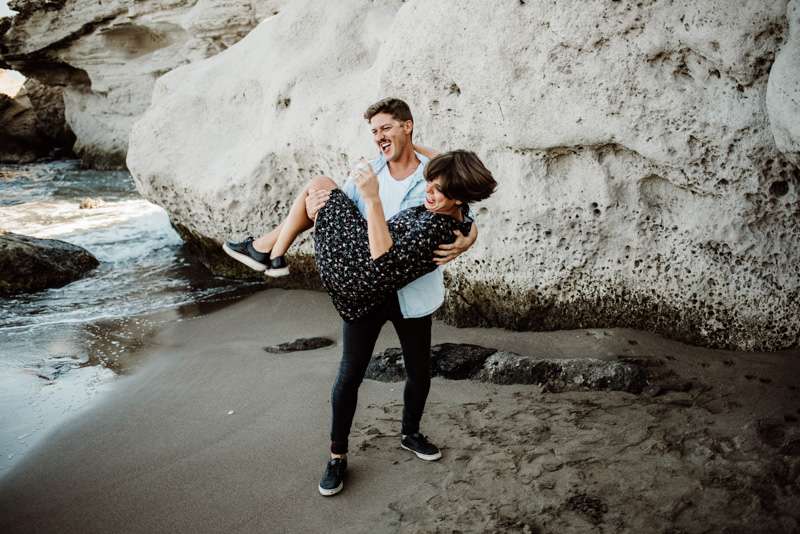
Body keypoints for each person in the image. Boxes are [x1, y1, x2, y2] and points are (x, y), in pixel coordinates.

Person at [222, 98, 491, 497]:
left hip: (407, 294)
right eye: (374, 131)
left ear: (408, 127)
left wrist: (468, 234)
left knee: (419, 372)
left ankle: (410, 433)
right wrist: (318, 207)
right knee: (349, 375)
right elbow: (351, 208)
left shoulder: (437, 188)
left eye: (387, 128)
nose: (380, 137)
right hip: (366, 289)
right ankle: (337, 457)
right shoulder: (386, 172)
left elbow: (455, 194)